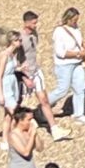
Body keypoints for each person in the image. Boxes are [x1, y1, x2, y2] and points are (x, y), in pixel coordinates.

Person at [18, 10, 66, 140]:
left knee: (44, 100)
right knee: (18, 103)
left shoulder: (34, 34)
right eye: (34, 23)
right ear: (26, 22)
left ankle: (55, 129)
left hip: (36, 71)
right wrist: (23, 77)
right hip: (25, 74)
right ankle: (16, 130)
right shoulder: (20, 39)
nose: (36, 25)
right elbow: (15, 61)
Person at [50, 6, 85, 125]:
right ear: (68, 19)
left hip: (76, 63)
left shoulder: (76, 28)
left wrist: (84, 45)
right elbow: (61, 53)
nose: (75, 22)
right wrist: (79, 53)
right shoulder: (59, 32)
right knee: (62, 89)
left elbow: (78, 40)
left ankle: (79, 114)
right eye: (74, 20)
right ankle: (45, 105)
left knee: (80, 88)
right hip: (64, 65)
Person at [3, 104, 44, 168]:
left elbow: (40, 148)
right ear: (21, 120)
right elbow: (25, 152)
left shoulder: (29, 132)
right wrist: (32, 136)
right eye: (29, 120)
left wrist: (35, 134)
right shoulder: (13, 135)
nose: (31, 122)